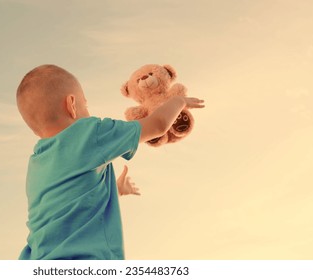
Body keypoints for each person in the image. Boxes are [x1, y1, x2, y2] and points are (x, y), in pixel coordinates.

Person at [16, 64, 205, 260]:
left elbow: (69, 204)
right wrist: (178, 100)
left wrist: (114, 189)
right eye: (85, 104)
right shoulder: (89, 132)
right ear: (71, 105)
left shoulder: (36, 162)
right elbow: (157, 125)